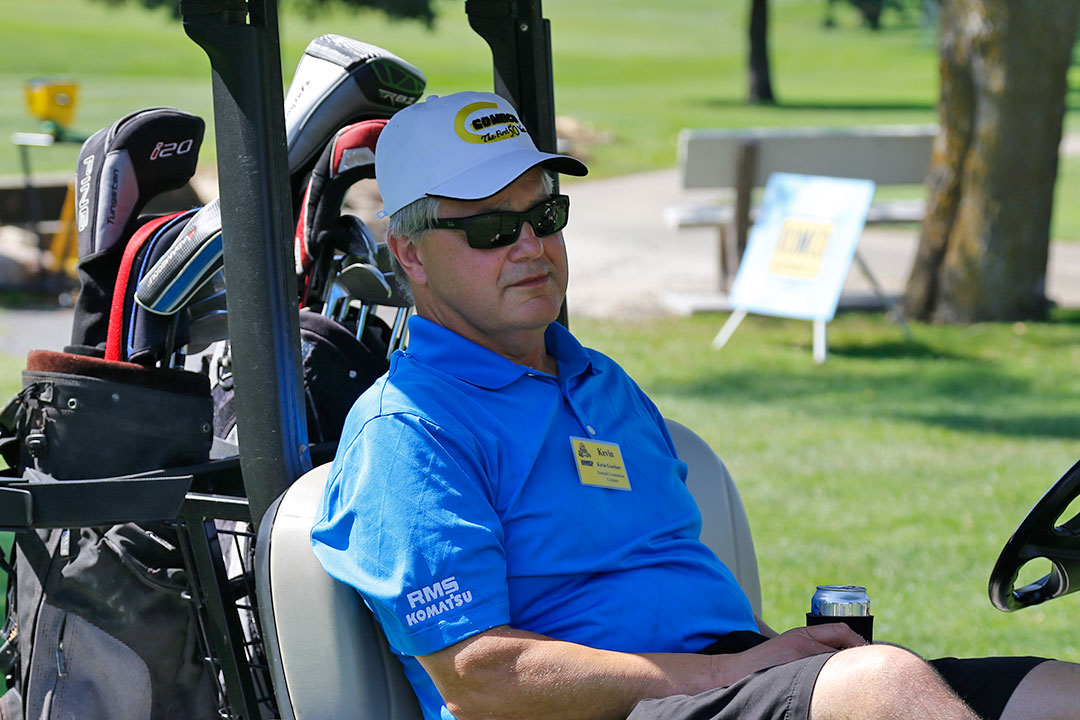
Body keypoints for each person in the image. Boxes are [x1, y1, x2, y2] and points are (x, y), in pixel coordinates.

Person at [310, 91, 1080, 720]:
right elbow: (482, 678)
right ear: (409, 253)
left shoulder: (602, 384)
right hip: (618, 710)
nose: (530, 247)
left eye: (544, 217)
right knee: (881, 687)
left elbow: (676, 586)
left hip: (718, 682)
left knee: (1060, 694)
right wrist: (739, 673)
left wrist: (778, 658)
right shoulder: (410, 430)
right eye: (489, 229)